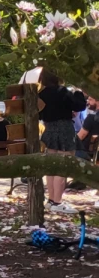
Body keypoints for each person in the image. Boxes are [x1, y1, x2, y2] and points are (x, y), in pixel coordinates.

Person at [38, 69, 86, 214]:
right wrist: (78, 92)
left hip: (49, 129)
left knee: (52, 166)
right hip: (64, 129)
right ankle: (58, 202)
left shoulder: (41, 94)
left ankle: (51, 200)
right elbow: (79, 106)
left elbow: (42, 112)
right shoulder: (63, 91)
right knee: (63, 166)